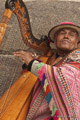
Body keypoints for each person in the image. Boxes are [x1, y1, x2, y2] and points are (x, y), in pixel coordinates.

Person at [14, 22, 80, 120]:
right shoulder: (52, 59)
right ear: (55, 39)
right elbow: (45, 73)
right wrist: (32, 63)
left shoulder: (77, 56)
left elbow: (63, 76)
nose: (66, 36)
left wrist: (32, 63)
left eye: (71, 34)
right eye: (62, 33)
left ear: (77, 41)